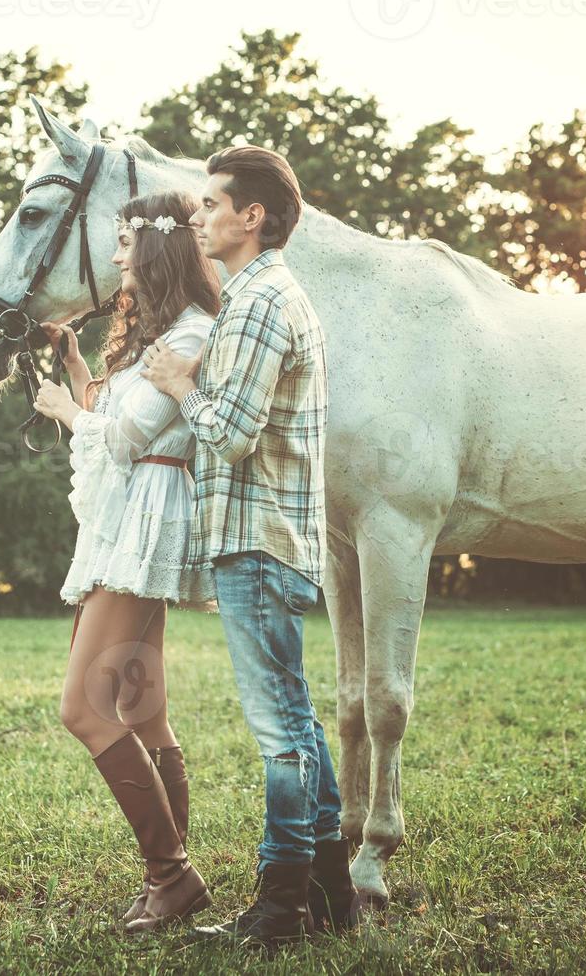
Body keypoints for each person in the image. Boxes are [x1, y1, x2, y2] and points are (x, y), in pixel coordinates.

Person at [143, 145, 356, 950]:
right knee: (296, 722)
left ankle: (279, 911)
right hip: (261, 539)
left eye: (210, 204)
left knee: (281, 734)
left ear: (252, 216)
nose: (198, 218)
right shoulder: (254, 297)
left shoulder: (262, 302)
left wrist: (175, 384)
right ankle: (332, 899)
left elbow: (228, 435)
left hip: (261, 540)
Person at [31, 190, 220, 934]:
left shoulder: (195, 331)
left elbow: (126, 437)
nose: (113, 259)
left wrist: (64, 410)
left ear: (154, 249)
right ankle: (166, 877)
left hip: (146, 528)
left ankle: (173, 875)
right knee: (143, 711)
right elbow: (118, 422)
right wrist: (78, 370)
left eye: (122, 245)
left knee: (84, 708)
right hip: (129, 521)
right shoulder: (162, 333)